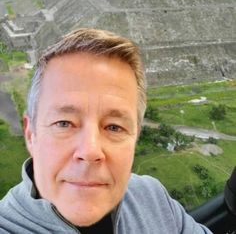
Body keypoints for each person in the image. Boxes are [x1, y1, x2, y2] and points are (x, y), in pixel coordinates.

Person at [0, 28, 212, 234]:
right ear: (30, 134)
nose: (90, 151)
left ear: (135, 137)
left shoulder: (153, 199)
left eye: (114, 127)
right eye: (64, 123)